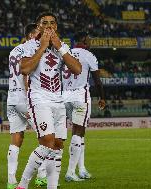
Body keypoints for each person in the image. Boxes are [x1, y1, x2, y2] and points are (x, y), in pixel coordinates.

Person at [16, 12, 81, 189]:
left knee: (58, 145)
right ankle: (22, 185)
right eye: (45, 23)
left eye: (52, 23)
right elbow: (25, 69)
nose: (49, 26)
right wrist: (42, 47)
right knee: (47, 142)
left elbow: (77, 69)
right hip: (39, 99)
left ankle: (52, 187)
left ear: (57, 27)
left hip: (58, 101)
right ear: (39, 27)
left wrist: (59, 46)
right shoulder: (30, 45)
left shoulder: (62, 46)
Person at [62, 31, 106, 181]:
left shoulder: (66, 52)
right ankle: (70, 172)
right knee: (77, 133)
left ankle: (81, 169)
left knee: (79, 134)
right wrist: (102, 97)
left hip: (65, 96)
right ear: (83, 39)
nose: (91, 40)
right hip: (80, 96)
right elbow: (97, 80)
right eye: (89, 38)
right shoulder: (89, 55)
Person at [6, 23, 40, 189]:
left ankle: (11, 180)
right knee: (45, 135)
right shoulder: (31, 48)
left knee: (16, 139)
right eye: (38, 34)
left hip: (11, 98)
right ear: (32, 35)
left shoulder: (14, 50)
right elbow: (26, 74)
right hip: (24, 98)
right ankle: (41, 177)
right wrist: (29, 97)